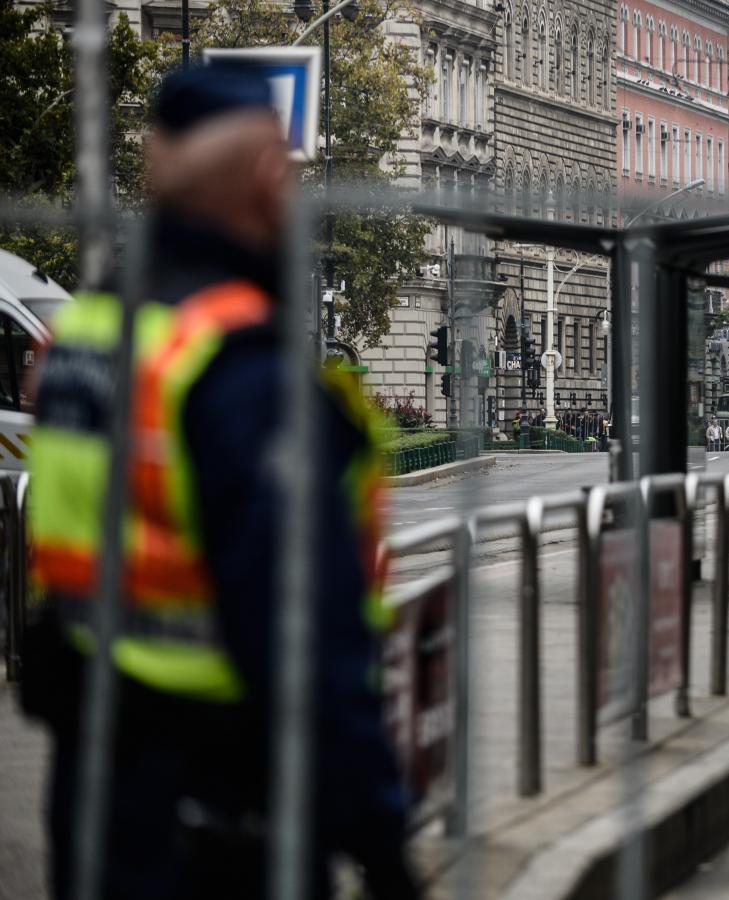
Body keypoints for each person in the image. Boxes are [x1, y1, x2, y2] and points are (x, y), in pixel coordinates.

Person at [22, 67, 417, 898]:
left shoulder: (83, 337)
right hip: (224, 810)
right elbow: (307, 641)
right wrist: (383, 844)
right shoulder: (241, 368)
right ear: (270, 178)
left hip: (92, 792)